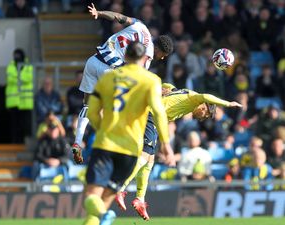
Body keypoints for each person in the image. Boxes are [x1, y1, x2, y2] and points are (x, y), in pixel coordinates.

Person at [115, 83, 242, 220]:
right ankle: (120, 188)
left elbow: (167, 85)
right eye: (206, 113)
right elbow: (205, 95)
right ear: (204, 105)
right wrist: (227, 104)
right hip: (150, 114)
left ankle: (140, 198)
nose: (203, 117)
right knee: (144, 156)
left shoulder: (183, 93)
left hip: (154, 119)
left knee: (150, 161)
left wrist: (161, 89)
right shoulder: (194, 98)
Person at [82, 42, 175, 225]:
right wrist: (165, 144)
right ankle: (103, 215)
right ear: (143, 59)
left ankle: (103, 215)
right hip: (131, 150)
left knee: (92, 196)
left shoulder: (107, 78)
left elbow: (92, 112)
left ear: (125, 57)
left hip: (105, 144)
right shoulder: (151, 81)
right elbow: (158, 113)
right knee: (103, 202)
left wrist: (102, 129)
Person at [71, 3, 174, 163]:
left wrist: (99, 13)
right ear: (162, 53)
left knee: (87, 105)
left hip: (93, 61)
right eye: (163, 56)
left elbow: (118, 17)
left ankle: (78, 141)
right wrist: (158, 90)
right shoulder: (146, 56)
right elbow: (137, 78)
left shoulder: (141, 26)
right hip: (109, 71)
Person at [5, 48, 34, 143]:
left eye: (18, 55)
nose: (16, 57)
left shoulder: (29, 65)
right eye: (15, 55)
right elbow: (10, 79)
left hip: (26, 102)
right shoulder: (10, 66)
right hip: (14, 102)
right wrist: (21, 77)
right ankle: (15, 142)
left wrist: (16, 76)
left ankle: (26, 142)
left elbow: (29, 78)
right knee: (14, 125)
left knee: (26, 124)